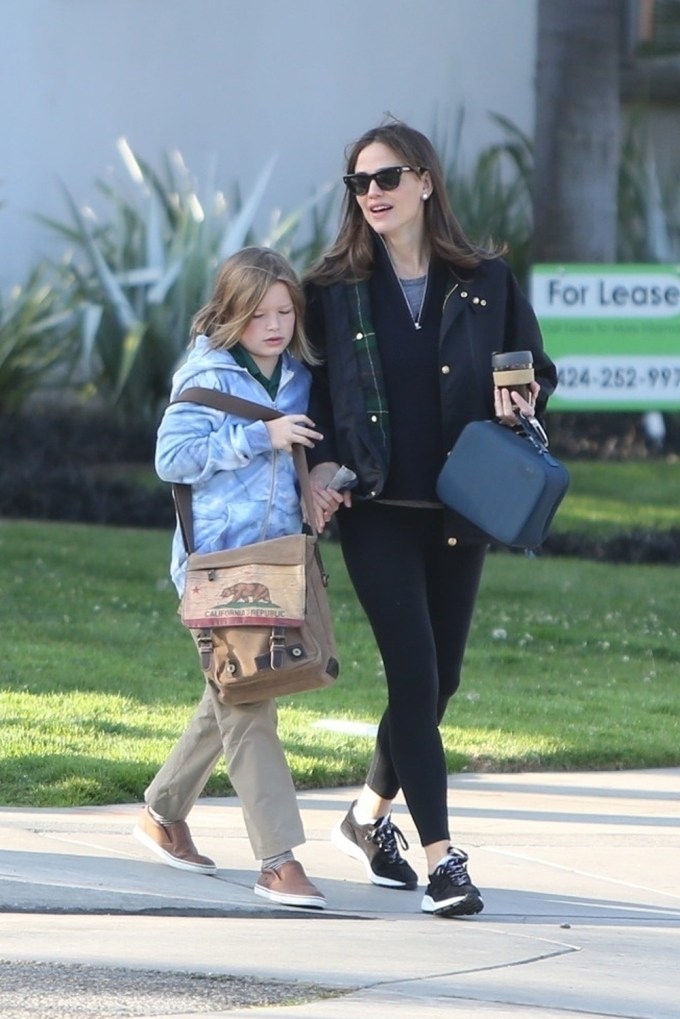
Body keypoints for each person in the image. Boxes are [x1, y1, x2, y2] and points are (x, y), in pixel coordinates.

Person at [304, 120, 557, 918]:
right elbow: (309, 394)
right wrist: (314, 466)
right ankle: (445, 860)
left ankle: (366, 816)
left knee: (440, 680)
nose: (372, 194)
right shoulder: (333, 289)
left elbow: (533, 364)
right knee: (414, 675)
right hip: (375, 506)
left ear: (425, 182)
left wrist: (525, 396)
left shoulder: (484, 279)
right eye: (359, 183)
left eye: (386, 178)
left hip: (463, 504)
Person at [133, 246, 326, 909]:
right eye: (259, 313)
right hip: (214, 570)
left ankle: (161, 812)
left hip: (274, 566)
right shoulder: (207, 375)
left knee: (231, 694)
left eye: (285, 311)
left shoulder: (298, 377)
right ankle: (279, 861)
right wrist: (255, 439)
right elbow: (170, 458)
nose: (274, 325)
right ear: (231, 312)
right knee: (248, 704)